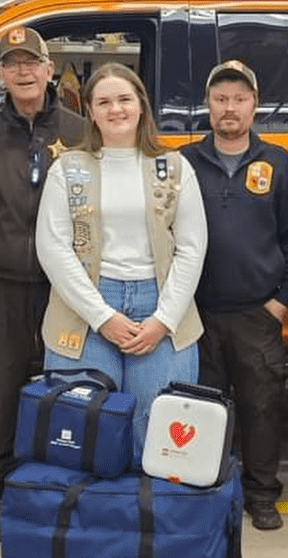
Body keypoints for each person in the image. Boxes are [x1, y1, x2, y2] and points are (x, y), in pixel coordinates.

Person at [0, 27, 84, 542]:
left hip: (67, 291)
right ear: (1, 75)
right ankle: (5, 493)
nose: (23, 71)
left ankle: (60, 489)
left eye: (32, 62)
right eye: (12, 64)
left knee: (66, 392)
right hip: (3, 287)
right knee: (2, 391)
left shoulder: (78, 130)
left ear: (50, 70)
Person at [35, 62, 207, 454]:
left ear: (141, 106)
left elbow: (192, 248)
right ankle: (97, 513)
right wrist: (102, 317)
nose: (116, 109)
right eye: (104, 101)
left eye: (125, 99)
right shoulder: (67, 169)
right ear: (90, 112)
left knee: (159, 431)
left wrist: (163, 320)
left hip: (159, 307)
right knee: (86, 429)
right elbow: (53, 247)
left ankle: (147, 513)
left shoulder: (175, 168)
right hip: (85, 310)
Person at [181, 60, 288, 531]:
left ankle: (262, 493)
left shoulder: (280, 164)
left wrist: (281, 302)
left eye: (239, 99)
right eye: (220, 99)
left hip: (259, 313)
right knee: (203, 409)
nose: (229, 108)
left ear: (255, 105)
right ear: (208, 105)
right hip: (198, 314)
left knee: (261, 408)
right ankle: (208, 492)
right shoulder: (185, 163)